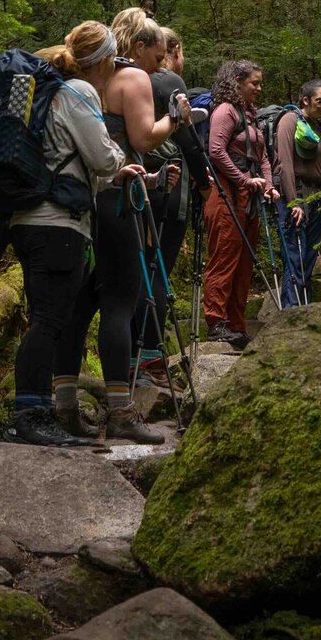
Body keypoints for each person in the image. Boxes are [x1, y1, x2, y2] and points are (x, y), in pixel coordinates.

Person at [7, 21, 146, 448]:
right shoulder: (79, 90)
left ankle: (43, 410)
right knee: (48, 320)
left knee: (45, 318)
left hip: (25, 216)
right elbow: (103, 157)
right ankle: (31, 414)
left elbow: (57, 156)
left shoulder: (41, 88)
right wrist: (116, 159)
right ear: (104, 60)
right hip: (58, 224)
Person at [67, 8, 191, 444]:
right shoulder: (131, 78)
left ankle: (64, 400)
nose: (157, 66)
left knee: (82, 300)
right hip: (120, 198)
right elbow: (141, 139)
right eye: (157, 57)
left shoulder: (80, 79)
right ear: (138, 48)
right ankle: (121, 412)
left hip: (82, 200)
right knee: (122, 299)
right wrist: (176, 117)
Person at [130, 24, 211, 385]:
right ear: (173, 51)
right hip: (168, 185)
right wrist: (206, 186)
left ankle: (132, 353)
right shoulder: (168, 82)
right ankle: (150, 355)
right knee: (159, 268)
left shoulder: (124, 77)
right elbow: (189, 140)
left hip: (132, 184)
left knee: (139, 267)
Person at [204, 59, 278, 347]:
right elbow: (216, 150)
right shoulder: (225, 111)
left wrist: (268, 186)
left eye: (260, 83)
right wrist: (244, 180)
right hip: (226, 195)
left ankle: (236, 323)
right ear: (237, 81)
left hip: (250, 197)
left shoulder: (250, 114)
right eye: (254, 83)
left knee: (244, 262)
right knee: (224, 257)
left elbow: (262, 157)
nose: (259, 88)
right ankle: (216, 321)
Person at [275, 80, 321, 308]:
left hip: (318, 198)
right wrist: (293, 202)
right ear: (306, 100)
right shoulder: (290, 121)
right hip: (298, 196)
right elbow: (285, 164)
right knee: (294, 256)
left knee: (309, 257)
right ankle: (292, 311)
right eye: (320, 101)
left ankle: (303, 306)